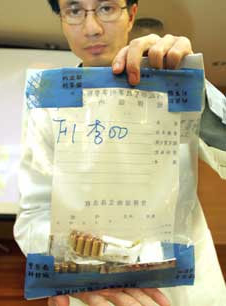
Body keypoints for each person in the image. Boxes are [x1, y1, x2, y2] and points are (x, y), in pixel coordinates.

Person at [14, 0, 226, 306]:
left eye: (107, 7)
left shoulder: (174, 85)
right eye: (74, 10)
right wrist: (65, 269)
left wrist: (197, 91)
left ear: (132, 13)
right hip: (93, 290)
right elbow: (33, 214)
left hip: (185, 291)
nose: (92, 28)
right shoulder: (48, 106)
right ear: (61, 18)